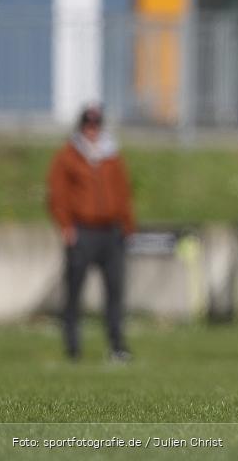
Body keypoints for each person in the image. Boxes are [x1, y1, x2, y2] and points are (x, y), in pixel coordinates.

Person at [46, 104, 136, 362]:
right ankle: (73, 347)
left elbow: (123, 193)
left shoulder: (112, 156)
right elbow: (57, 195)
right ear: (81, 127)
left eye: (96, 126)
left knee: (115, 291)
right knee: (74, 292)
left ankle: (117, 345)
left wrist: (128, 225)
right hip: (82, 231)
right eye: (88, 126)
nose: (92, 132)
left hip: (110, 231)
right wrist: (66, 227)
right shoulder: (67, 156)